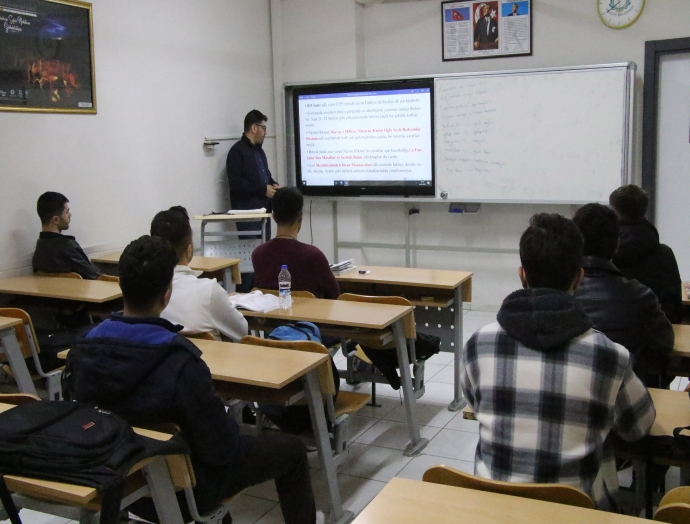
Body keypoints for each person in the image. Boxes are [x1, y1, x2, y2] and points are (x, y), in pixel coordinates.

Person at [70, 235, 320, 524]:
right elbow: (221, 448)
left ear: (120, 286)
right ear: (166, 296)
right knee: (292, 450)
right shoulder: (180, 362)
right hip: (186, 492)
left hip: (116, 484)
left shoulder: (83, 348)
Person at [460, 213, 655, 511]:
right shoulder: (610, 356)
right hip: (576, 514)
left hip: (495, 510)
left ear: (522, 275)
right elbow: (639, 427)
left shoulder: (479, 344)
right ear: (579, 278)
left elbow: (474, 404)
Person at [572, 203, 674, 380]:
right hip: (624, 390)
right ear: (617, 245)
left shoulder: (558, 294)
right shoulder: (640, 296)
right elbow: (666, 343)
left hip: (572, 387)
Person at [150, 206, 248, 341]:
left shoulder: (144, 292)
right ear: (189, 250)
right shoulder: (209, 290)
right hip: (204, 355)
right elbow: (242, 331)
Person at [609, 184, 683, 324]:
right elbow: (675, 307)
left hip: (614, 331)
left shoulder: (606, 255)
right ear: (645, 214)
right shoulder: (665, 254)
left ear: (614, 213)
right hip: (659, 331)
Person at [252, 187, 340, 300]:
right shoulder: (314, 255)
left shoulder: (258, 254)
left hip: (272, 312)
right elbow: (335, 295)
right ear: (300, 217)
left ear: (274, 217)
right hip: (307, 311)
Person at [226, 109, 280, 238]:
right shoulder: (237, 152)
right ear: (254, 128)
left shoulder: (260, 152)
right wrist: (263, 189)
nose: (266, 132)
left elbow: (266, 177)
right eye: (263, 128)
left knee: (264, 249)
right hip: (248, 217)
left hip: (264, 214)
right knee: (251, 250)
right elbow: (236, 184)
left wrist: (274, 185)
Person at [32, 192, 100, 280]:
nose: (70, 215)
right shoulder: (68, 246)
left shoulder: (39, 247)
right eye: (67, 212)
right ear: (56, 220)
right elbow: (95, 277)